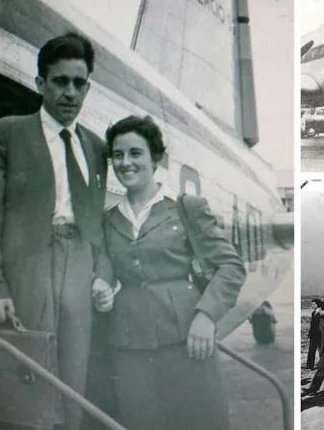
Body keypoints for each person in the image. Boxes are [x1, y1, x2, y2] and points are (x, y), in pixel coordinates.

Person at [0, 33, 115, 430]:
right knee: (27, 375)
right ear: (41, 83)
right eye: (60, 81)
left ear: (88, 87)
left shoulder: (95, 146)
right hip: (28, 266)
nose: (70, 92)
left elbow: (98, 224)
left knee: (74, 375)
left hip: (79, 266)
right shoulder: (6, 132)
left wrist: (103, 274)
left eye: (79, 83)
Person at [103, 115, 246, 430]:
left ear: (155, 158)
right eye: (118, 155)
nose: (125, 162)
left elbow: (231, 267)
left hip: (187, 340)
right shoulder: (109, 219)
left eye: (135, 153)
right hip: (129, 348)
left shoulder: (185, 207)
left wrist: (206, 316)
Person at [306, 298, 323, 369]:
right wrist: (310, 333)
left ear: (317, 304)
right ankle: (310, 365)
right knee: (311, 350)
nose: (312, 305)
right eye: (311, 304)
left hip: (320, 334)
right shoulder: (313, 313)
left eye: (313, 304)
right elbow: (312, 325)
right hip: (313, 335)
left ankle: (323, 365)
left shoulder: (321, 313)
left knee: (321, 350)